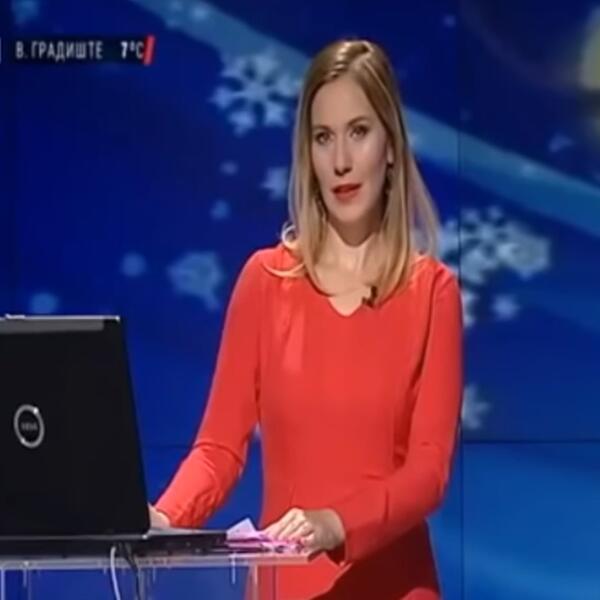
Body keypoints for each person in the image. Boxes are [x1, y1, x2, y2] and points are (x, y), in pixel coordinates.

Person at [150, 38, 463, 599]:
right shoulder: (265, 282)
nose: (341, 160)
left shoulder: (432, 293)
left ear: (391, 146)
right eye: (323, 137)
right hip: (288, 585)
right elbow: (219, 448)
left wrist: (337, 522)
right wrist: (163, 519)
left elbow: (428, 473)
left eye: (358, 132)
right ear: (307, 154)